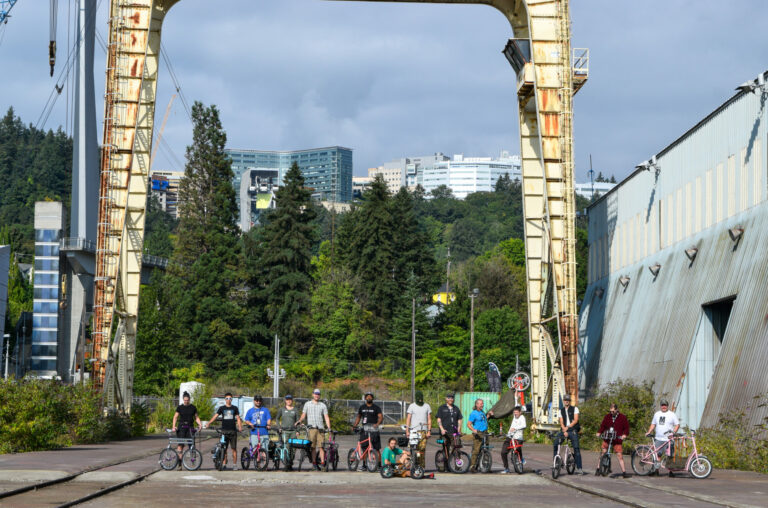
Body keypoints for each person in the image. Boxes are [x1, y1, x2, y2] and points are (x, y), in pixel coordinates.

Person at [207, 392, 242, 470]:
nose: (228, 400)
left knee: (233, 449)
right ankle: (224, 464)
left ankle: (234, 465)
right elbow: (215, 416)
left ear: (232, 399)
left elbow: (238, 418)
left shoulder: (235, 408)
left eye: (230, 398)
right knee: (224, 449)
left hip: (233, 431)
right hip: (224, 431)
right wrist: (209, 423)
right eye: (227, 398)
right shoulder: (222, 408)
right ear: (225, 399)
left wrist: (240, 426)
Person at [298, 388, 331, 470]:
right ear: (313, 394)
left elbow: (326, 417)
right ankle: (314, 464)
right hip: (311, 428)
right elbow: (303, 415)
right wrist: (299, 421)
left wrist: (329, 427)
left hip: (320, 429)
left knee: (321, 447)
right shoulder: (307, 404)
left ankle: (323, 463)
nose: (317, 395)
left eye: (318, 394)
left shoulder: (323, 405)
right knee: (312, 447)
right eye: (315, 394)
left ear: (319, 396)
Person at [552, 394, 586, 474]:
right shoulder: (561, 411)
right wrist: (564, 429)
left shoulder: (575, 409)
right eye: (565, 400)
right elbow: (561, 422)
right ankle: (555, 463)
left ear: (569, 401)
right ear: (563, 401)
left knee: (576, 448)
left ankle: (579, 467)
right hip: (564, 430)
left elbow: (575, 420)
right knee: (555, 443)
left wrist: (567, 428)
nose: (566, 401)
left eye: (568, 400)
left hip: (573, 430)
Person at [596, 403, 629, 477]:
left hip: (617, 438)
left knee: (619, 455)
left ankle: (624, 472)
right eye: (610, 411)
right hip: (607, 437)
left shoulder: (622, 417)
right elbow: (603, 426)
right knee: (603, 452)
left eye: (613, 411)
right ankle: (598, 469)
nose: (611, 413)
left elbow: (626, 428)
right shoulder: (607, 417)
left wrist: (624, 435)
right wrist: (599, 432)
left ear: (616, 410)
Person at [646, 399, 680, 471]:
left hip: (668, 439)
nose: (663, 407)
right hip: (658, 439)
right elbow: (653, 424)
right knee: (658, 455)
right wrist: (649, 431)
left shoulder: (672, 414)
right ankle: (656, 471)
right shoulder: (657, 414)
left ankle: (671, 471)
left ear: (667, 406)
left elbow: (677, 425)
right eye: (662, 405)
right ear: (660, 406)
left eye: (665, 405)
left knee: (670, 455)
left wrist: (673, 433)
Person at [172, 391, 202, 468]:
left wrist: (200, 424)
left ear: (189, 399)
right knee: (180, 445)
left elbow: (196, 417)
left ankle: (193, 463)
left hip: (190, 428)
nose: (186, 401)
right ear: (183, 399)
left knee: (192, 445)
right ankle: (179, 464)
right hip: (181, 427)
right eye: (185, 400)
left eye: (187, 400)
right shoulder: (180, 407)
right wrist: (173, 426)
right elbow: (175, 417)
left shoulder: (193, 407)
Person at [405, 390, 431, 468]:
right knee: (413, 449)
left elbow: (429, 419)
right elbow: (408, 419)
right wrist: (407, 430)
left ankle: (421, 467)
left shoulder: (427, 406)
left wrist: (429, 431)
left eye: (421, 398)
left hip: (423, 431)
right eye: (418, 398)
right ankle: (412, 466)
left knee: (422, 449)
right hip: (414, 431)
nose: (420, 399)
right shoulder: (412, 406)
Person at [436, 392, 463, 462]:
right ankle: (446, 466)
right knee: (446, 449)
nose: (451, 399)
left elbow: (459, 419)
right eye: (449, 398)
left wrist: (459, 429)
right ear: (446, 399)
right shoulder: (441, 408)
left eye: (452, 398)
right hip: (445, 432)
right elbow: (439, 419)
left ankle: (457, 466)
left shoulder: (456, 408)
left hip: (454, 432)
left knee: (456, 449)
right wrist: (442, 429)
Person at [276, 394, 299, 469]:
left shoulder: (295, 409)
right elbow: (277, 419)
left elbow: (298, 421)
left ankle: (290, 462)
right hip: (285, 431)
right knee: (287, 447)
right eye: (287, 399)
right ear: (285, 400)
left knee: (293, 449)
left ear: (292, 400)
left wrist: (297, 430)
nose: (289, 401)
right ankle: (286, 463)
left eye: (290, 399)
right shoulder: (282, 409)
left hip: (293, 431)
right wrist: (279, 427)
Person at [501, 405, 526, 474]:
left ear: (520, 412)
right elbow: (511, 427)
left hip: (518, 438)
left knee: (517, 448)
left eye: (517, 412)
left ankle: (521, 459)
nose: (515, 414)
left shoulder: (522, 417)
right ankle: (506, 468)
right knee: (503, 452)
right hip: (510, 436)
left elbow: (524, 425)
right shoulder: (514, 418)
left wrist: (516, 428)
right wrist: (508, 433)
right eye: (514, 412)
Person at [467, 398, 488, 473]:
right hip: (478, 433)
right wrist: (473, 430)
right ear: (477, 404)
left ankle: (486, 466)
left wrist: (489, 415)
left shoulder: (482, 412)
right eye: (481, 403)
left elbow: (483, 420)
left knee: (485, 449)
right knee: (476, 450)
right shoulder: (473, 413)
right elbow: (468, 424)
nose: (482, 405)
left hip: (485, 432)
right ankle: (472, 466)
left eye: (482, 403)